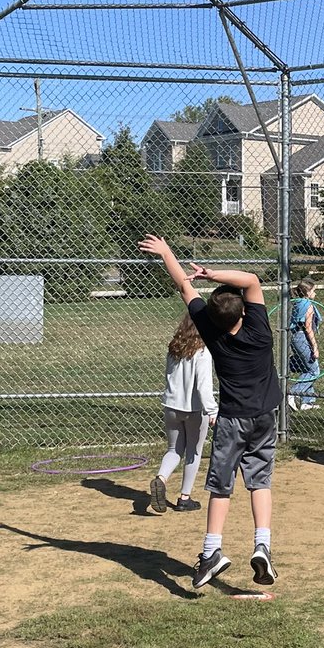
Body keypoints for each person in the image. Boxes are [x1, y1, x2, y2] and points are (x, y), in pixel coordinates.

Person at [138, 234, 281, 590]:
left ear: (212, 318)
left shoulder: (211, 332)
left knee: (221, 486)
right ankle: (262, 545)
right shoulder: (260, 329)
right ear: (245, 311)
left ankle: (211, 551)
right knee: (260, 482)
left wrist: (167, 252)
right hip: (265, 416)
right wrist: (213, 273)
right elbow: (251, 280)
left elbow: (183, 286)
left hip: (232, 420)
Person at [149, 313, 218, 515]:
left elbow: (168, 376)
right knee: (193, 452)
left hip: (171, 406)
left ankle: (161, 478)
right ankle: (184, 498)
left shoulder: (174, 348)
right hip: (194, 409)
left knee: (174, 450)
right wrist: (212, 410)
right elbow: (204, 386)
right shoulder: (203, 352)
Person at [288, 276, 321, 411]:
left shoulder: (298, 303)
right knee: (314, 371)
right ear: (307, 293)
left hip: (295, 338)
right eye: (313, 291)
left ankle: (307, 401)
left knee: (307, 368)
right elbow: (308, 328)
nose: (315, 293)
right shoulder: (308, 305)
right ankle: (292, 393)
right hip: (302, 338)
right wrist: (315, 347)